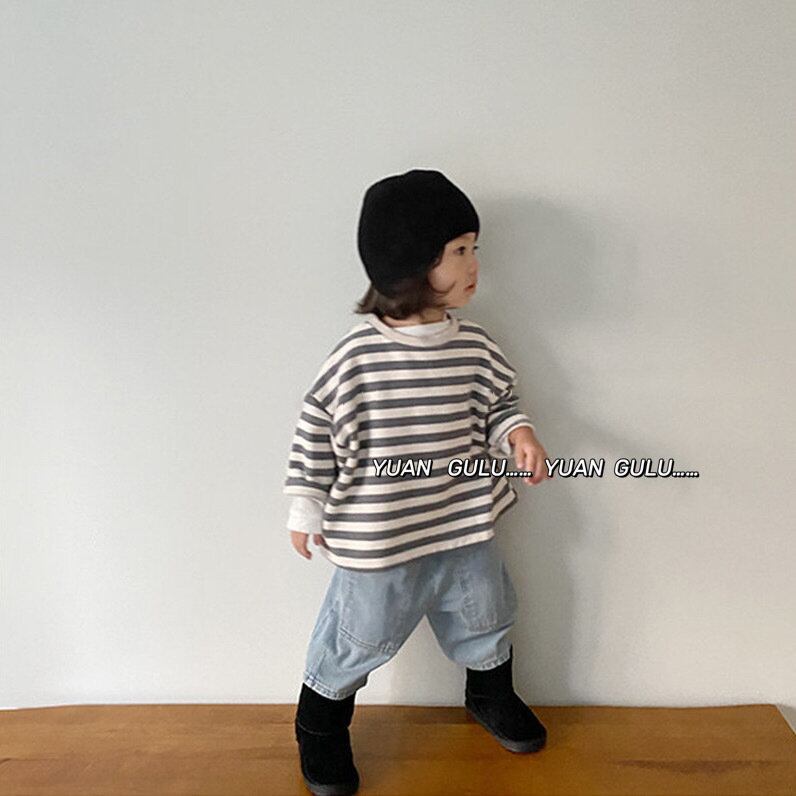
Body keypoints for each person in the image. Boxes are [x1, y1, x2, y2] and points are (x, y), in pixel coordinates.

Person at [283, 169, 552, 796]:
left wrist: (519, 434)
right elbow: (315, 430)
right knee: (358, 634)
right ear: (409, 263)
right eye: (458, 250)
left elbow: (498, 404)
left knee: (487, 613)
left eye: (475, 248)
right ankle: (320, 726)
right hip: (381, 538)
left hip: (463, 523)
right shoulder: (357, 356)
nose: (474, 264)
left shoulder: (475, 346)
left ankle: (489, 693)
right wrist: (305, 506)